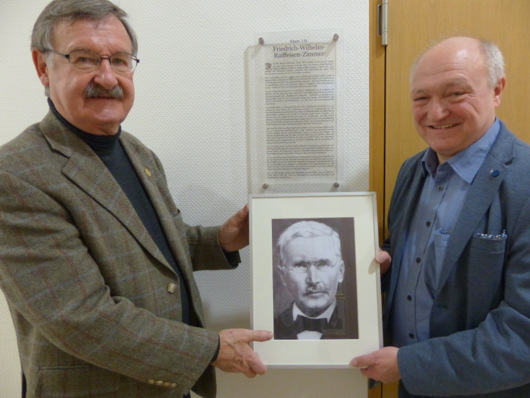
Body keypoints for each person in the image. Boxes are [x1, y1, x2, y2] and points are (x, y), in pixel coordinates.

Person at [0, 1, 273, 398]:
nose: (107, 77)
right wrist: (211, 349)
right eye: (84, 59)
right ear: (43, 67)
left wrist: (221, 240)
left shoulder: (138, 153)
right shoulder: (16, 175)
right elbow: (81, 318)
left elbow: (148, 251)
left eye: (121, 60)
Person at [350, 36, 530, 397]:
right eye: (421, 98)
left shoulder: (524, 181)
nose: (435, 113)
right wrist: (383, 269)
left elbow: (522, 335)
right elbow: (409, 259)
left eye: (455, 94)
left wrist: (408, 365)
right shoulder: (411, 172)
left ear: (497, 90)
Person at [273, 220, 356, 340]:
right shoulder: (271, 327)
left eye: (323, 264)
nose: (313, 279)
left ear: (340, 271)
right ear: (282, 275)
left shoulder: (360, 326)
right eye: (300, 265)